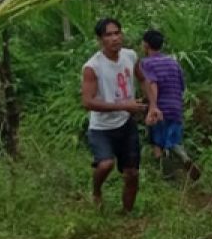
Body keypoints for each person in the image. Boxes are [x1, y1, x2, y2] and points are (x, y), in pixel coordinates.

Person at [81, 18, 150, 213]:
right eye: (108, 35)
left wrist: (153, 105)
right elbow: (88, 102)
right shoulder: (92, 67)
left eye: (117, 33)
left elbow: (142, 78)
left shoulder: (130, 56)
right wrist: (123, 105)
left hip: (125, 124)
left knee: (132, 173)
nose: (114, 38)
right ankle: (96, 191)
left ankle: (127, 213)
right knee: (105, 164)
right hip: (102, 128)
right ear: (100, 39)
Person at [139, 29, 200, 181]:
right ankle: (183, 157)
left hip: (159, 107)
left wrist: (152, 106)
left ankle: (165, 174)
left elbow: (152, 84)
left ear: (146, 45)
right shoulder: (173, 63)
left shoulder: (146, 63)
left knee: (156, 141)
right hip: (175, 107)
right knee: (172, 139)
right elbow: (181, 87)